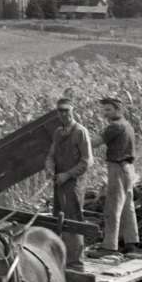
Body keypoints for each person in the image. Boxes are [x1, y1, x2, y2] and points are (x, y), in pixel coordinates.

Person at [88, 96, 140, 257]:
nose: (105, 113)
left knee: (113, 206)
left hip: (117, 167)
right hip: (128, 168)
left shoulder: (115, 127)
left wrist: (74, 141)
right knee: (127, 207)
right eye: (104, 110)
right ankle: (131, 243)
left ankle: (109, 247)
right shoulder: (127, 125)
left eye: (109, 109)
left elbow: (94, 143)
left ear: (119, 110)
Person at [45, 97, 92, 271]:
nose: (63, 114)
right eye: (60, 110)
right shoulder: (58, 132)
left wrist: (67, 174)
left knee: (74, 220)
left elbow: (87, 161)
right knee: (58, 218)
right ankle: (60, 258)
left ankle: (76, 263)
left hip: (74, 183)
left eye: (66, 110)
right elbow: (50, 155)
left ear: (73, 111)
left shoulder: (80, 132)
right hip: (59, 182)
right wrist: (50, 168)